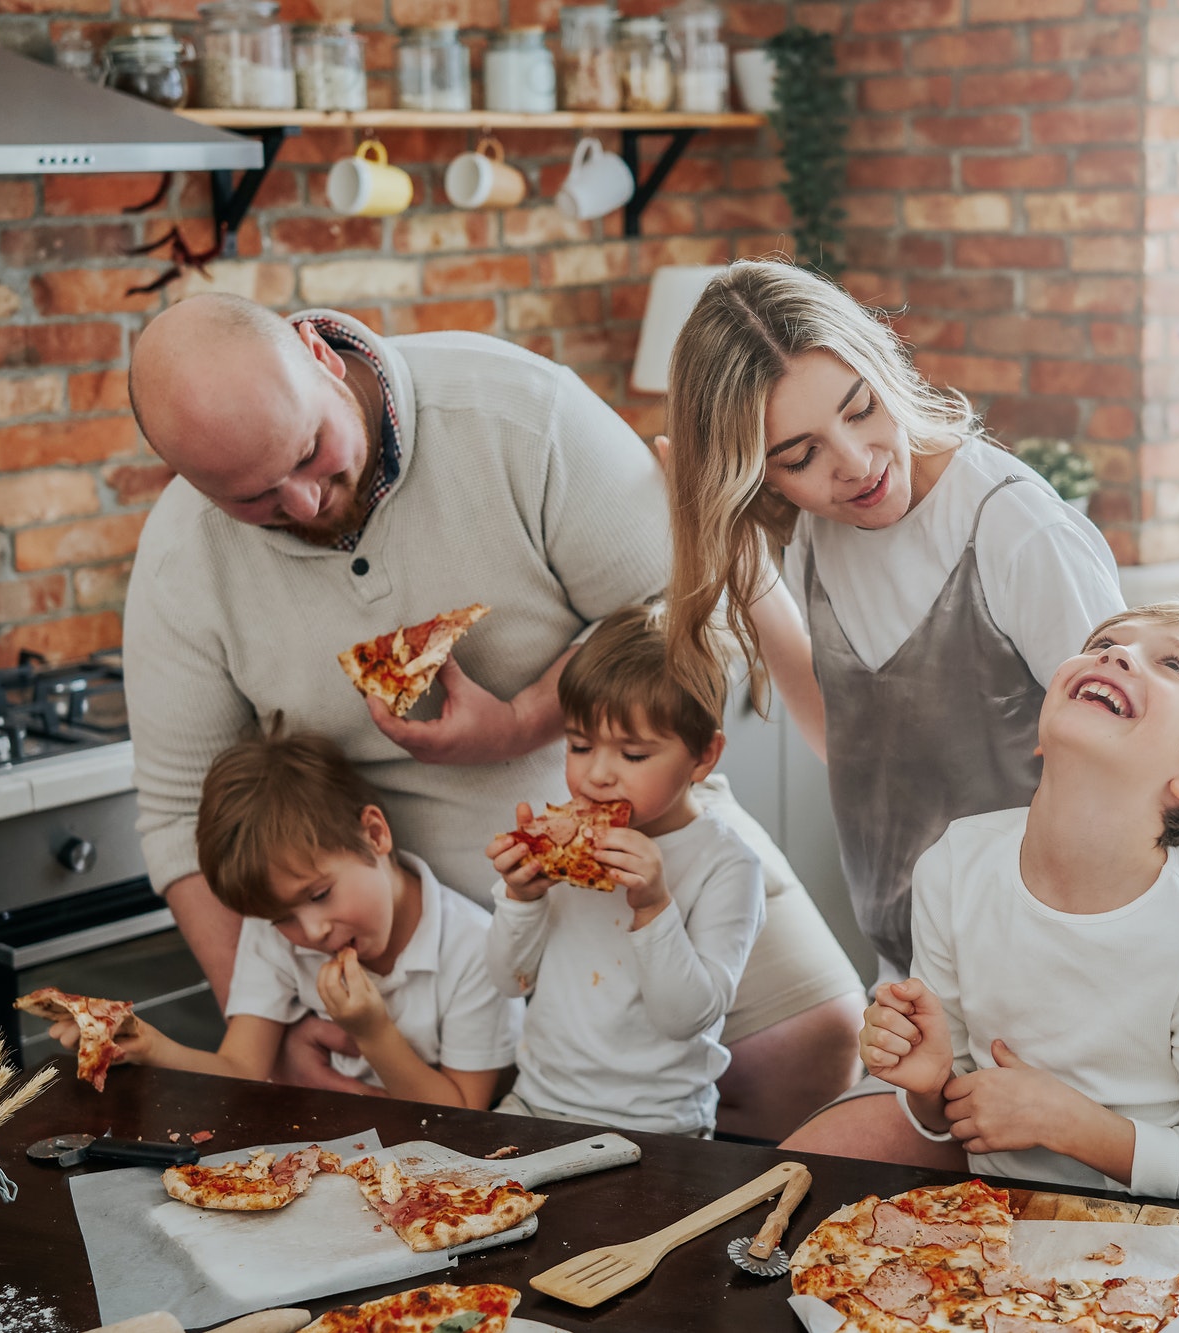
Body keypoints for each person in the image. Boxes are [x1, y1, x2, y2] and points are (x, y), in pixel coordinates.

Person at [123, 292, 863, 1137]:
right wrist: (267, 1028)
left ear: (321, 357)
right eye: (251, 500)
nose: (302, 504)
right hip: (398, 924)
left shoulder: (518, 412)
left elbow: (688, 611)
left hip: (638, 823)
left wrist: (522, 722)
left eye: (310, 455)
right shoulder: (181, 557)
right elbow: (182, 814)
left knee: (816, 1043)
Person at [659, 261, 1125, 1161]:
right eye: (799, 455)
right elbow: (852, 745)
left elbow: (1135, 783)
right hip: (915, 988)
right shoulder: (820, 539)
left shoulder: (1014, 531)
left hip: (1055, 997)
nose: (859, 462)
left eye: (861, 406)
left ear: (884, 363)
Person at [861, 602, 1179, 1207]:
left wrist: (1074, 1126)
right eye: (1106, 642)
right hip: (992, 1232)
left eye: (1172, 664)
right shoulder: (954, 866)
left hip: (1143, 1258)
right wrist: (929, 1085)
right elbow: (952, 1113)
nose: (1117, 653)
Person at [46, 727, 520, 1109]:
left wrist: (371, 1032)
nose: (311, 933)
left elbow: (464, 1112)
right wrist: (150, 1046)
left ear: (374, 834)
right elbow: (242, 1071)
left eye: (319, 894)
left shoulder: (475, 948)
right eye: (282, 919)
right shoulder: (274, 936)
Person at [484, 603, 765, 1137]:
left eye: (633, 755)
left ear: (704, 756)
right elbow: (507, 980)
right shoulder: (560, 843)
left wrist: (655, 906)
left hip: (659, 1121)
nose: (597, 776)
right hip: (538, 1101)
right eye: (579, 745)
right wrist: (522, 898)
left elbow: (686, 1019)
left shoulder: (728, 864)